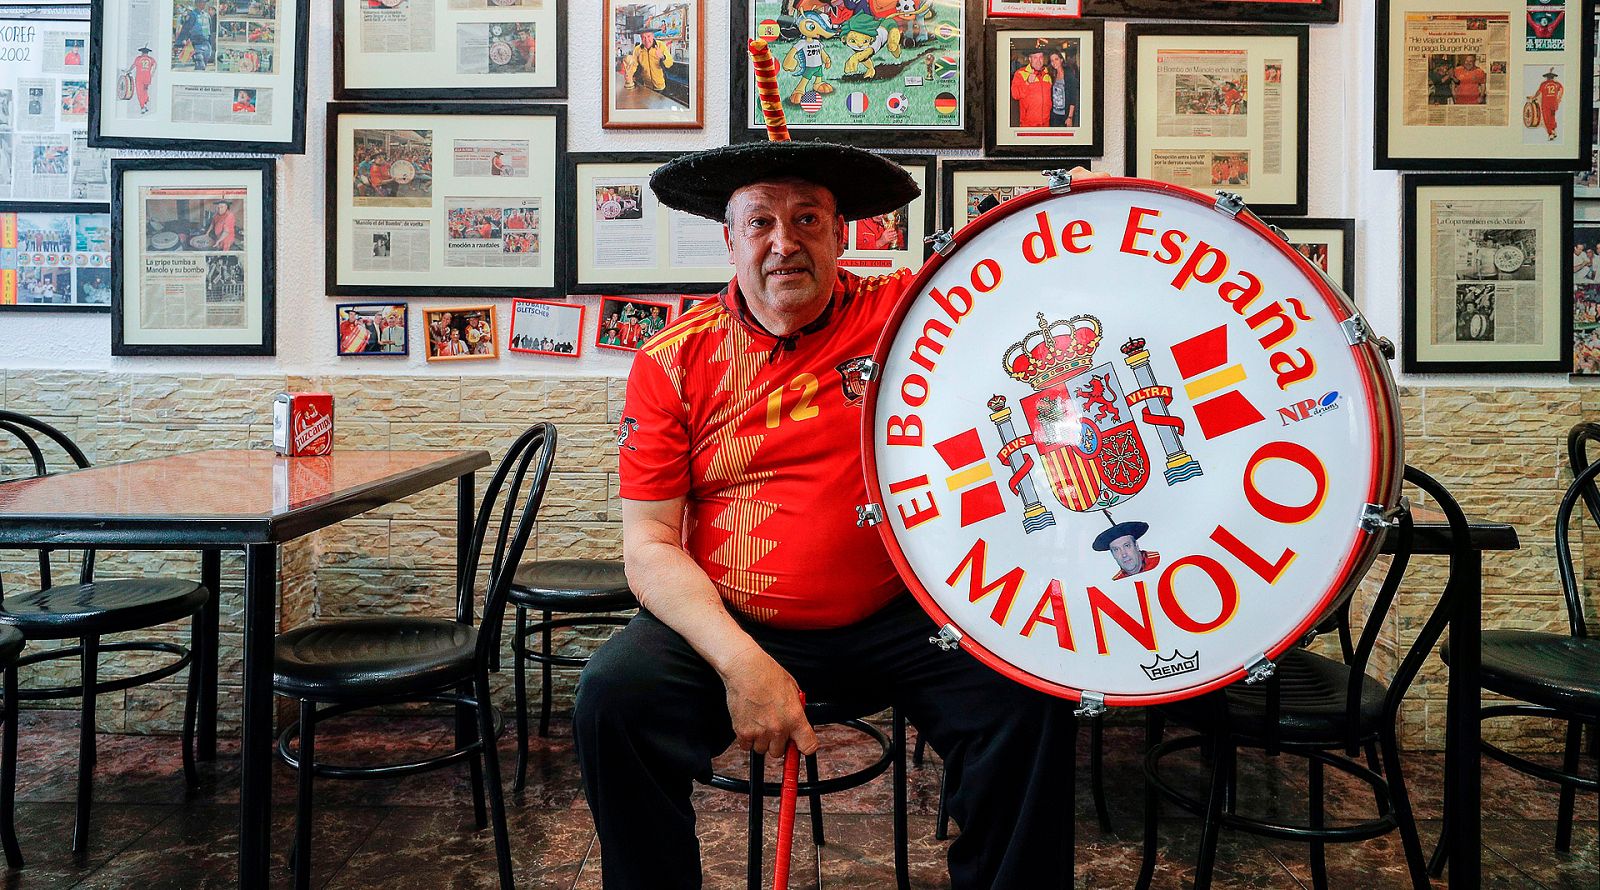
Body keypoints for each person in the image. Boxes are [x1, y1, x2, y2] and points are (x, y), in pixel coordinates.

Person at [574, 135, 1088, 889]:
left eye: (808, 219)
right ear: (729, 241)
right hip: (736, 616)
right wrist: (741, 661)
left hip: (906, 611)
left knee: (1028, 701)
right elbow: (650, 542)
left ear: (843, 236)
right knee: (613, 701)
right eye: (761, 223)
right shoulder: (671, 360)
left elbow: (1026, 301)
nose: (785, 242)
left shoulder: (911, 315)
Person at [1093, 520, 1160, 581]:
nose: (1124, 554)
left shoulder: (1158, 561)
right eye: (1116, 549)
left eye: (1127, 546)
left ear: (1136, 546)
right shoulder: (1117, 580)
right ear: (1113, 555)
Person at [1010, 48, 1052, 128]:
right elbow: (1015, 95)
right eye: (1035, 57)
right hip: (1028, 123)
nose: (1038, 60)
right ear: (1030, 59)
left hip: (1046, 122)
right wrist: (1027, 82)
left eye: (1041, 57)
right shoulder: (1020, 73)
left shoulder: (1048, 73)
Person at [1533, 68, 1563, 140]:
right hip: (1554, 104)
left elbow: (1538, 92)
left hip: (1546, 104)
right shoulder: (1557, 84)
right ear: (1553, 77)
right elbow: (1561, 90)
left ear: (1547, 77)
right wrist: (1559, 98)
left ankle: (1550, 134)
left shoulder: (1544, 84)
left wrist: (1534, 97)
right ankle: (1554, 131)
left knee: (1547, 119)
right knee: (1552, 117)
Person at [131, 46, 157, 114]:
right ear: (147, 52)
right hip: (147, 77)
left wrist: (128, 71)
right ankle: (145, 104)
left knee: (140, 92)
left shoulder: (138, 58)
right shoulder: (151, 59)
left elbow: (133, 66)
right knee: (145, 91)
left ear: (142, 52)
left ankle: (142, 107)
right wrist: (152, 74)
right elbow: (155, 66)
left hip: (139, 78)